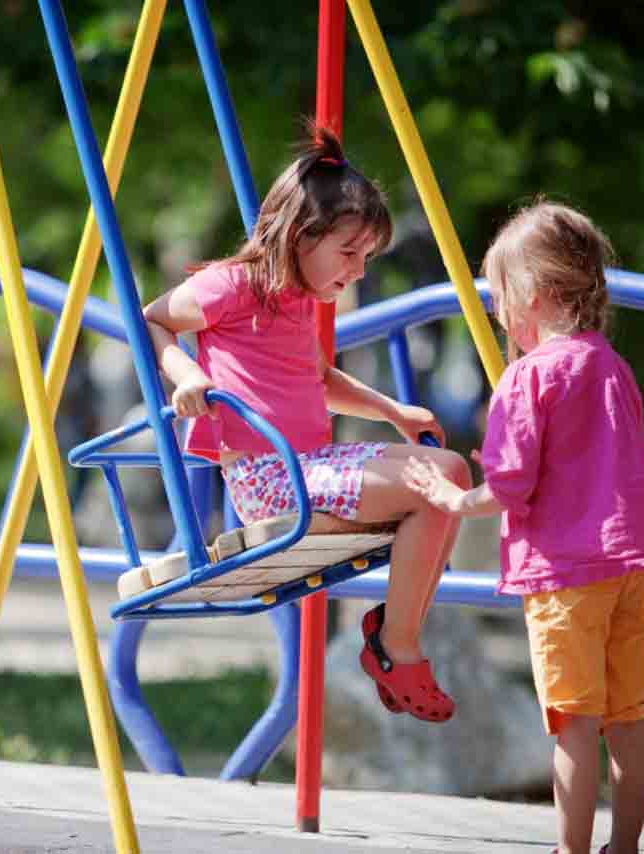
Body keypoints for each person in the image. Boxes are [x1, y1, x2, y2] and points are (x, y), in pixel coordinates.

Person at [142, 125, 470, 723]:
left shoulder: (298, 299)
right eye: (349, 253)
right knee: (433, 485)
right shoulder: (233, 285)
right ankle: (396, 646)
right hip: (272, 481)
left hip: (307, 467)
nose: (358, 270)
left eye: (366, 257)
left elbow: (319, 380)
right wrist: (185, 375)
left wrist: (393, 411)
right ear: (301, 236)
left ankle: (393, 636)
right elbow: (153, 320)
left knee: (448, 471)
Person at [403, 200, 644, 853]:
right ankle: (626, 847)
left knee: (575, 727)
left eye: (501, 294)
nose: (499, 310)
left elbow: (508, 486)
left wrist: (448, 496)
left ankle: (571, 849)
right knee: (628, 721)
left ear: (535, 293)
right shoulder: (611, 365)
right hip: (628, 569)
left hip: (565, 577)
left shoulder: (527, 378)